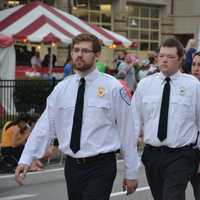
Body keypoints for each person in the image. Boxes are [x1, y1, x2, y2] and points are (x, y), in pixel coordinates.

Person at [15, 33, 139, 200]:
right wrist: (26, 158)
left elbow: (127, 130)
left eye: (85, 51)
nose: (79, 55)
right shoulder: (62, 89)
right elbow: (45, 125)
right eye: (76, 50)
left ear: (97, 55)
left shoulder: (113, 87)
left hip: (101, 165)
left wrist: (131, 172)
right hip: (72, 166)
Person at [131, 37, 200, 200]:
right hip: (152, 155)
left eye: (170, 57)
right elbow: (134, 121)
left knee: (172, 196)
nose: (164, 60)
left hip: (181, 155)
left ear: (180, 59)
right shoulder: (145, 85)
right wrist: (130, 161)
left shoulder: (193, 86)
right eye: (161, 56)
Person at [190, 51, 200, 200]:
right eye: (194, 64)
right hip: (186, 153)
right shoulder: (188, 89)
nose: (196, 68)